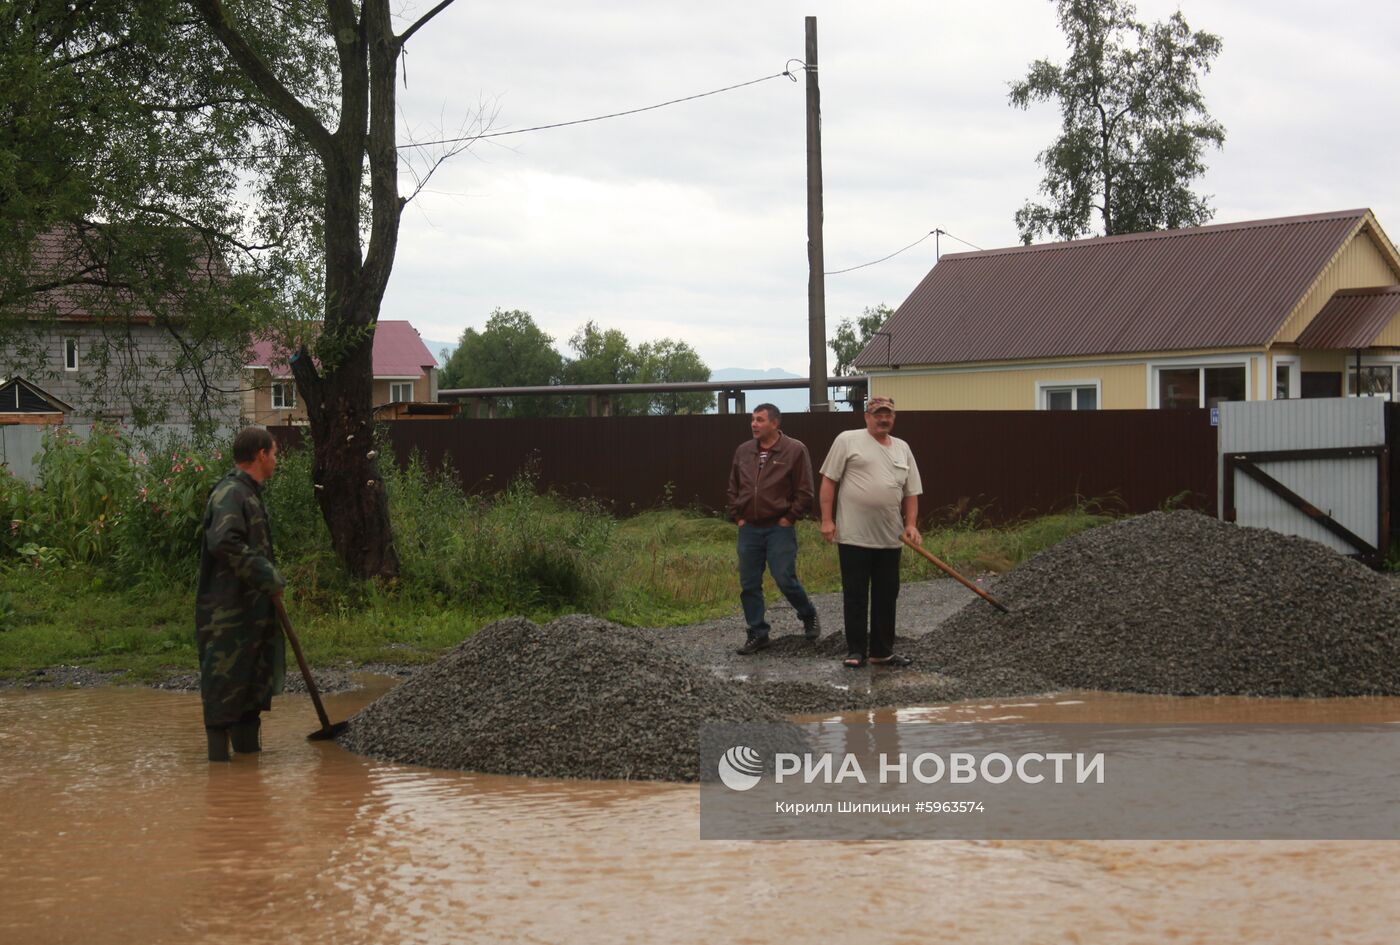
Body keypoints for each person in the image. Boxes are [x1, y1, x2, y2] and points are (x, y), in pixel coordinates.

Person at [195, 427, 286, 761]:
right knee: (224, 693)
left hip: (251, 615)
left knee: (249, 692)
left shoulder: (249, 494)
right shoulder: (231, 493)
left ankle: (249, 773)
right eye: (274, 453)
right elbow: (224, 542)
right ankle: (219, 777)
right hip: (226, 617)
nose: (276, 460)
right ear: (260, 454)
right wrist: (266, 574)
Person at [818, 396, 922, 668]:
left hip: (891, 537)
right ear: (867, 417)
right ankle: (855, 651)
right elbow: (829, 481)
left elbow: (911, 493)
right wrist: (827, 520)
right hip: (854, 535)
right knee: (855, 594)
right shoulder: (847, 440)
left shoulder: (903, 448)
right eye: (878, 414)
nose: (883, 419)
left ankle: (882, 651)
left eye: (888, 414)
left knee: (887, 595)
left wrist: (911, 524)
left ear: (894, 418)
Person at [727, 403, 821, 654]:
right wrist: (737, 515)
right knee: (749, 583)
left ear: (775, 423)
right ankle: (758, 633)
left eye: (759, 420)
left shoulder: (794, 450)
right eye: (752, 420)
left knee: (784, 577)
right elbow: (733, 486)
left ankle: (807, 613)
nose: (754, 424)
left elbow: (805, 491)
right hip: (749, 528)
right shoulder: (744, 451)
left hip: (779, 526)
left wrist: (790, 517)